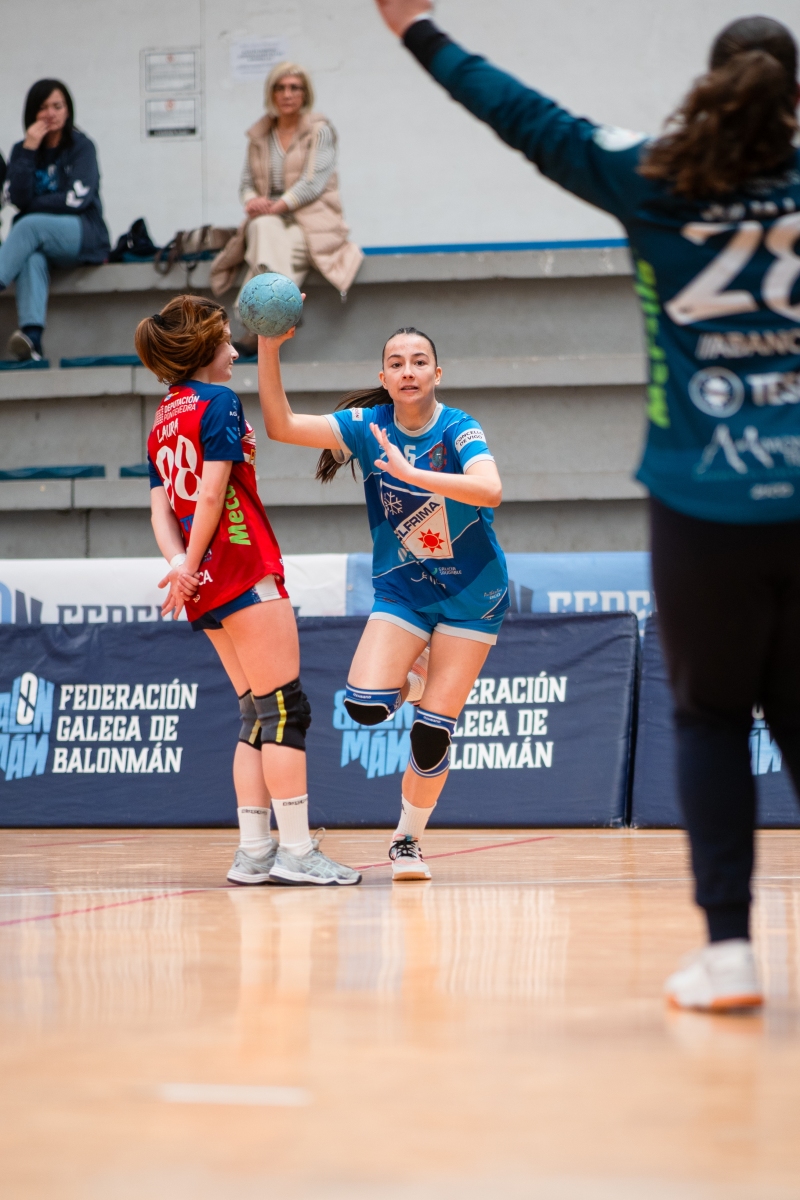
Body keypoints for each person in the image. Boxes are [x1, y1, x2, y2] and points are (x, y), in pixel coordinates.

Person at [372, 1, 800, 1010]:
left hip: (701, 503)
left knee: (708, 718)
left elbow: (524, 116)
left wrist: (418, 27)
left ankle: (729, 953)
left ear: (707, 86)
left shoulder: (655, 173)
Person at [258, 323, 508, 880]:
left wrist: (411, 473)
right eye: (396, 363)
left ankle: (406, 841)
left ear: (436, 373)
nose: (408, 371)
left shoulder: (460, 428)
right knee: (365, 706)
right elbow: (280, 425)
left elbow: (491, 490)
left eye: (419, 362)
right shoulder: (366, 427)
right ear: (384, 377)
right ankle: (418, 681)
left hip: (473, 594)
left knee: (431, 733)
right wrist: (269, 348)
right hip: (404, 591)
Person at [135, 294, 360, 888]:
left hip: (204, 584)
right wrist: (193, 563)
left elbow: (160, 509)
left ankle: (255, 852)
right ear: (203, 348)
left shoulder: (161, 418)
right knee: (285, 710)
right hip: (240, 566)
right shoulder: (218, 402)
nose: (233, 352)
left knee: (255, 715)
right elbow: (212, 494)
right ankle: (296, 852)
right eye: (226, 342)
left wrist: (181, 567)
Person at [210, 60, 363, 323]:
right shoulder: (260, 135)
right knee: (263, 228)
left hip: (310, 225)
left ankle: (253, 320)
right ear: (271, 94)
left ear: (305, 94)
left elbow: (312, 183)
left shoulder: (320, 131)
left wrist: (275, 206)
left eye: (294, 88)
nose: (287, 94)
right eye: (280, 88)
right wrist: (253, 201)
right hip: (270, 221)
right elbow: (246, 183)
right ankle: (283, 308)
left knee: (266, 248)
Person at [0, 79, 110, 362]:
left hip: (83, 233)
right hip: (41, 238)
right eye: (43, 107)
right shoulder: (22, 149)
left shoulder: (82, 146)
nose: (51, 113)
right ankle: (33, 341)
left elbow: (75, 199)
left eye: (57, 106)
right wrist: (29, 149)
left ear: (68, 110)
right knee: (31, 256)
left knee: (28, 225)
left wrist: (31, 206)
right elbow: (15, 196)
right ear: (32, 113)